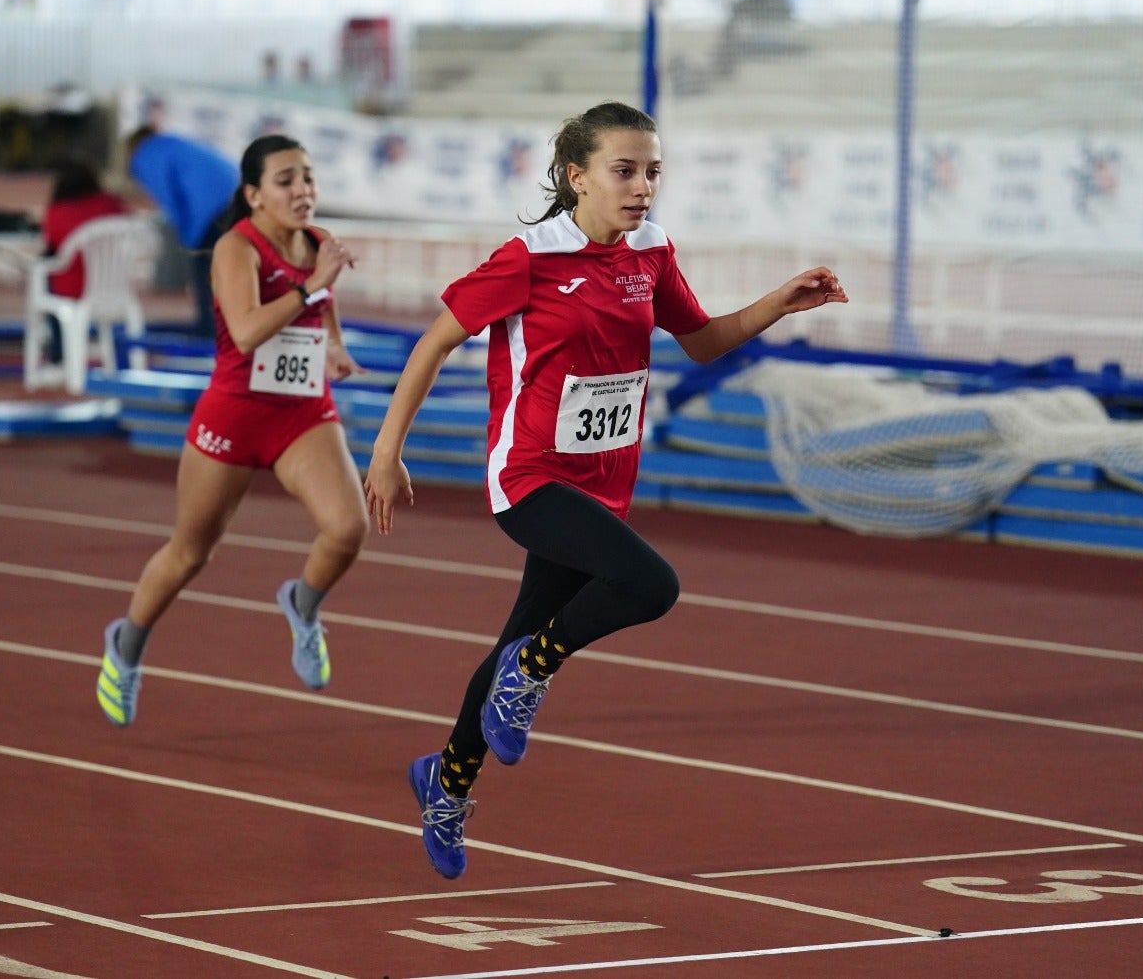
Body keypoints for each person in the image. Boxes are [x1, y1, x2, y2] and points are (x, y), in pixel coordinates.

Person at [363, 101, 847, 880]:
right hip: (530, 479)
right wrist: (387, 451)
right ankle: (535, 668)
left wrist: (775, 305)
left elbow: (700, 340)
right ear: (574, 176)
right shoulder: (529, 258)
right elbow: (433, 342)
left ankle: (446, 780)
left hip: (602, 485)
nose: (643, 187)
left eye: (653, 171)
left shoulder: (649, 253)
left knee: (517, 634)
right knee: (649, 584)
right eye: (624, 171)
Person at [97, 134, 368, 728]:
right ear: (254, 195)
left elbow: (323, 312)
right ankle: (127, 644)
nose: (303, 190)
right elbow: (245, 333)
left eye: (309, 177)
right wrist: (308, 284)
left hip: (301, 412)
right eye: (286, 180)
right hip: (235, 416)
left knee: (348, 529)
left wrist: (335, 351)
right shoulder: (234, 249)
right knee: (190, 553)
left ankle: (303, 605)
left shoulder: (318, 244)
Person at [124, 125, 239, 336]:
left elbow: (170, 201)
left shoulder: (145, 154)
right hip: (243, 201)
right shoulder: (176, 143)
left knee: (206, 270)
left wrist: (190, 240)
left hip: (215, 211)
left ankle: (210, 332)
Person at [37, 158, 130, 362]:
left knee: (44, 273)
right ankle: (120, 354)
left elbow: (52, 242)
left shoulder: (57, 211)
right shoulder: (112, 204)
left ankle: (59, 351)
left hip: (72, 288)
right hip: (114, 286)